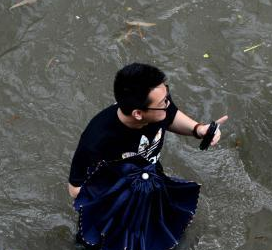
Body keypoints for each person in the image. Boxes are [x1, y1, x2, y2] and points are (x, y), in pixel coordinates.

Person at [68, 63, 228, 198]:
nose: (168, 104)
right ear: (138, 114)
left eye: (167, 96)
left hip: (150, 178)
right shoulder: (96, 140)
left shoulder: (158, 106)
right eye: (162, 103)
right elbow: (75, 189)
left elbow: (171, 116)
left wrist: (198, 129)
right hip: (116, 199)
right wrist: (119, 197)